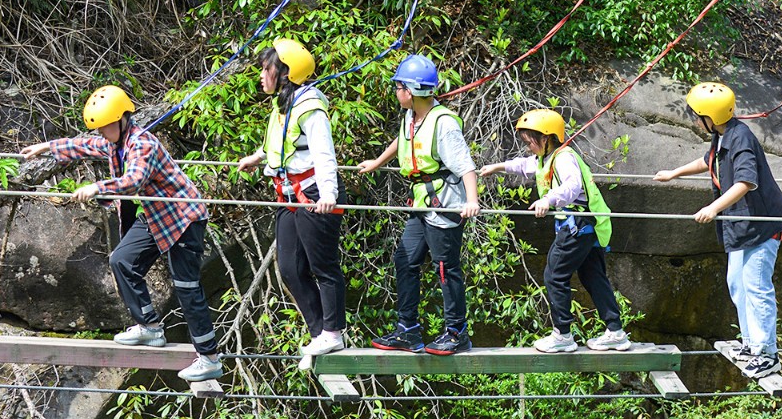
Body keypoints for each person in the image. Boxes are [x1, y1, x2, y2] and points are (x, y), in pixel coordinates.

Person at [19, 85, 223, 382]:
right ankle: (150, 328)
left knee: (187, 288)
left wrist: (97, 187)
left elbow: (133, 181)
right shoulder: (114, 142)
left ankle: (209, 358)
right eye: (99, 128)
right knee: (122, 260)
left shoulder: (143, 145)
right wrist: (48, 147)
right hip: (157, 216)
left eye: (105, 126)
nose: (101, 132)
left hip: (183, 218)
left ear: (122, 119)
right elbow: (84, 146)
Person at [653, 82, 782, 379]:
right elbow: (708, 162)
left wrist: (714, 209)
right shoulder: (722, 135)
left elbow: (745, 182)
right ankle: (752, 344)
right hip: (742, 226)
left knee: (756, 287)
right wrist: (675, 173)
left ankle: (767, 354)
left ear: (710, 117)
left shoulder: (740, 139)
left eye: (696, 115)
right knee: (737, 284)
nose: (694, 120)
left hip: (762, 226)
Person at [357, 53, 479, 355]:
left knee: (444, 267)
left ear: (409, 91)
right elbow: (405, 140)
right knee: (405, 260)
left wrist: (472, 201)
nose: (396, 92)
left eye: (398, 86)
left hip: (445, 201)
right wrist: (377, 162)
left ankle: (457, 332)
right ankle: (408, 329)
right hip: (421, 203)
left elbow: (466, 166)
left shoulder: (444, 124)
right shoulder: (412, 116)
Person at [479, 109, 631, 353]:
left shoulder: (563, 157)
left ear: (547, 138)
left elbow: (573, 184)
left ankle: (563, 334)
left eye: (530, 141)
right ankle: (615, 331)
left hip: (578, 225)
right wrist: (497, 167)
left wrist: (548, 200)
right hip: (588, 225)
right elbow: (525, 166)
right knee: (592, 276)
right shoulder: (546, 158)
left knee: (554, 274)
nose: (528, 146)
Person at [236, 39, 345, 371]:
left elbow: (324, 154)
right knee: (289, 268)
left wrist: (329, 195)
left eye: (266, 68)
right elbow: (281, 143)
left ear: (284, 73)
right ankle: (319, 335)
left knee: (322, 266)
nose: (261, 75)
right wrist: (257, 158)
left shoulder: (310, 107)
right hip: (287, 194)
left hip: (313, 194)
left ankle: (333, 332)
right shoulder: (283, 105)